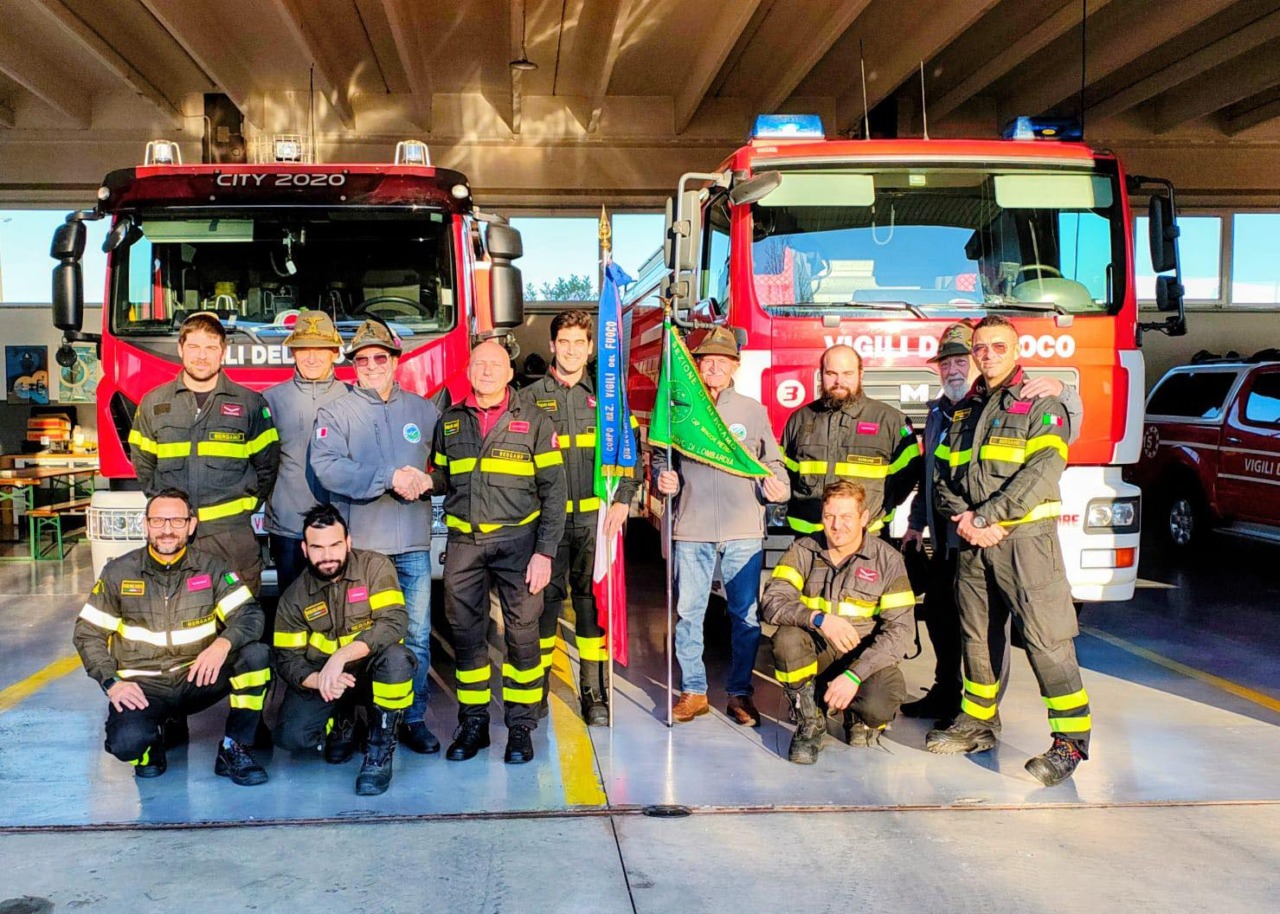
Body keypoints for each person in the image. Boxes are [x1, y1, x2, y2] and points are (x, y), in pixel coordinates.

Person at [926, 315, 1091, 787]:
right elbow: (943, 474)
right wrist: (966, 519)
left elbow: (1043, 470)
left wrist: (988, 518)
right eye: (981, 348)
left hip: (1025, 544)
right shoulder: (965, 409)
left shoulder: (1042, 402)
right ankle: (979, 722)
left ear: (1016, 351)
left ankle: (1069, 743)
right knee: (977, 638)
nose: (988, 355)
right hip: (973, 543)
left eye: (999, 347)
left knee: (1047, 640)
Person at [72, 488, 271, 785]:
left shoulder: (211, 568)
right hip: (144, 686)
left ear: (191, 525)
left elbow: (250, 614)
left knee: (256, 656)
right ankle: (150, 749)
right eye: (159, 521)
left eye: (177, 521)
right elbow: (88, 633)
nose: (167, 530)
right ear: (146, 524)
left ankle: (235, 746)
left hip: (197, 677)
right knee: (127, 744)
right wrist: (111, 682)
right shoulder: (119, 572)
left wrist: (222, 643)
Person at [429, 340, 566, 764]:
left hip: (519, 547)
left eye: (495, 365)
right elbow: (441, 480)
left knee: (522, 639)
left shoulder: (536, 422)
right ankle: (473, 724)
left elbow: (555, 493)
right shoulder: (449, 422)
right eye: (479, 364)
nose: (486, 371)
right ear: (468, 370)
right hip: (465, 545)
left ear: (510, 373)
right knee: (467, 638)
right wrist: (415, 482)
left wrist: (544, 553)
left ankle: (521, 728)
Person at [311, 318, 441, 757]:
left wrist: (426, 480)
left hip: (413, 548)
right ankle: (362, 719)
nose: (370, 366)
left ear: (395, 361)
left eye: (379, 357)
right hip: (364, 550)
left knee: (418, 636)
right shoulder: (335, 413)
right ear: (352, 365)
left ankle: (414, 718)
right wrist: (389, 476)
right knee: (361, 637)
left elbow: (448, 467)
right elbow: (328, 467)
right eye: (361, 359)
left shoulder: (425, 411)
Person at [653, 327, 789, 725]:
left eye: (722, 362)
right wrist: (663, 478)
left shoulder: (752, 410)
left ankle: (740, 693)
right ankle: (693, 691)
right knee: (688, 613)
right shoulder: (681, 411)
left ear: (734, 367)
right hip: (691, 526)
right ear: (696, 367)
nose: (713, 367)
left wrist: (776, 486)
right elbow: (661, 459)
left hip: (743, 526)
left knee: (745, 615)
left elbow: (773, 461)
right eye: (706, 361)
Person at [518, 310, 638, 725]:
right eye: (563, 342)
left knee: (590, 610)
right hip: (545, 528)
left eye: (579, 343)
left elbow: (629, 454)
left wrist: (623, 498)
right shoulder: (528, 398)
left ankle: (593, 693)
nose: (571, 350)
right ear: (552, 346)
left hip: (594, 526)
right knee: (543, 609)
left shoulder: (608, 398)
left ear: (591, 348)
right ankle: (535, 693)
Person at [761, 481, 916, 764]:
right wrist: (818, 618)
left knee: (880, 702)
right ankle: (810, 720)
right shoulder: (803, 550)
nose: (837, 525)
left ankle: (856, 715)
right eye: (829, 516)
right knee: (786, 640)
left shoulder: (888, 560)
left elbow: (901, 631)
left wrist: (855, 675)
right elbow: (772, 602)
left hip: (863, 657)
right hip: (817, 650)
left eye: (846, 517)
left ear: (864, 518)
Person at [128, 312, 280, 597]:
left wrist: (242, 507)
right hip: (175, 536)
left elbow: (268, 466)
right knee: (177, 617)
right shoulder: (154, 404)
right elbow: (144, 463)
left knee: (240, 619)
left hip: (232, 537)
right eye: (194, 346)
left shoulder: (249, 404)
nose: (202, 356)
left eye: (211, 347)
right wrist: (170, 514)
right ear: (180, 349)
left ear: (223, 352)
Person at [273, 505, 416, 796]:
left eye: (335, 545)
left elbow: (394, 622)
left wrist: (341, 656)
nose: (327, 555)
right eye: (317, 547)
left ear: (348, 543)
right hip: (328, 683)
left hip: (372, 675)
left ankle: (379, 748)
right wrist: (319, 681)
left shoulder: (374, 567)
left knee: (397, 659)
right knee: (291, 737)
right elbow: (287, 659)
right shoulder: (294, 597)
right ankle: (344, 719)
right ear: (304, 549)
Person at [780, 345, 920, 540]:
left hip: (868, 538)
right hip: (809, 540)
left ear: (860, 374)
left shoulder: (891, 420)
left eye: (847, 373)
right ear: (821, 375)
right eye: (831, 373)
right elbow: (785, 471)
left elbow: (909, 475)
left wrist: (877, 505)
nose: (839, 381)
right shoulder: (800, 419)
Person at [263, 310, 349, 604]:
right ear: (293, 353)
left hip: (341, 526)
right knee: (292, 608)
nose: (311, 358)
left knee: (341, 609)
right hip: (288, 527)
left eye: (320, 350)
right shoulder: (270, 400)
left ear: (335, 352)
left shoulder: (355, 399)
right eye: (303, 350)